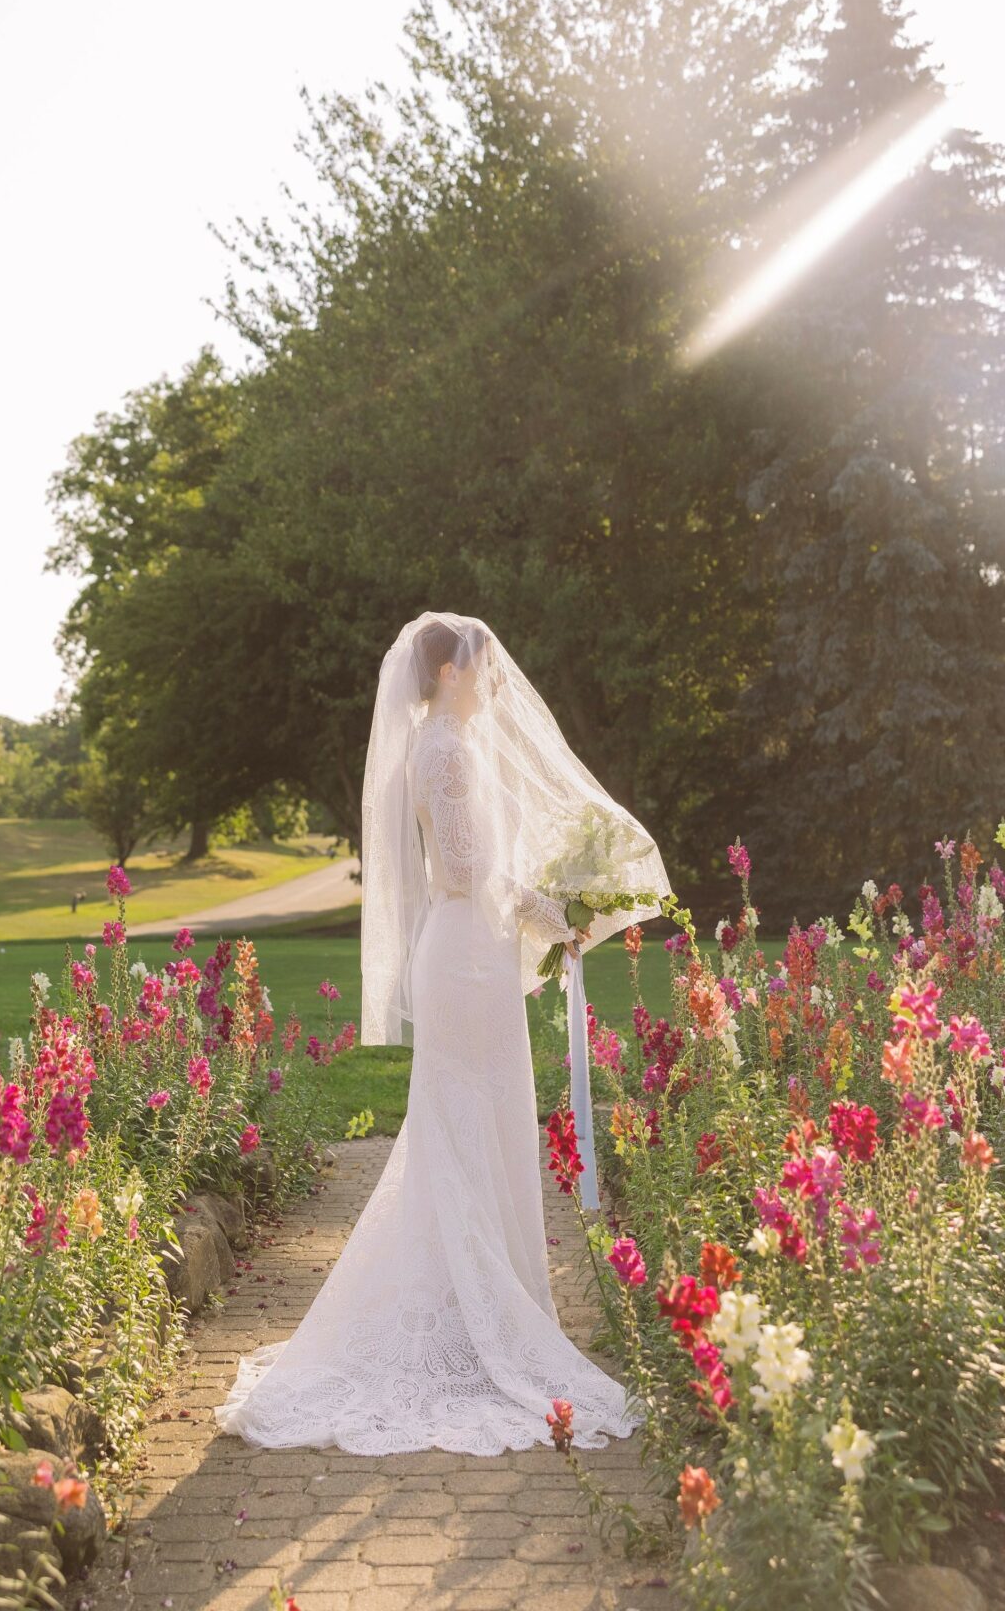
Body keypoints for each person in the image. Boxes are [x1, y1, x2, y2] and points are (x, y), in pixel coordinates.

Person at [215, 610, 670, 1456]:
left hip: (474, 956)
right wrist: (549, 910)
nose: (496, 679)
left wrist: (547, 911)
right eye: (484, 665)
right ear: (452, 673)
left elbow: (474, 871)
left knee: (472, 1126)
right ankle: (477, 1319)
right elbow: (464, 873)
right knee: (463, 1128)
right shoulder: (447, 749)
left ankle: (476, 1307)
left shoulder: (443, 744)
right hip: (466, 958)